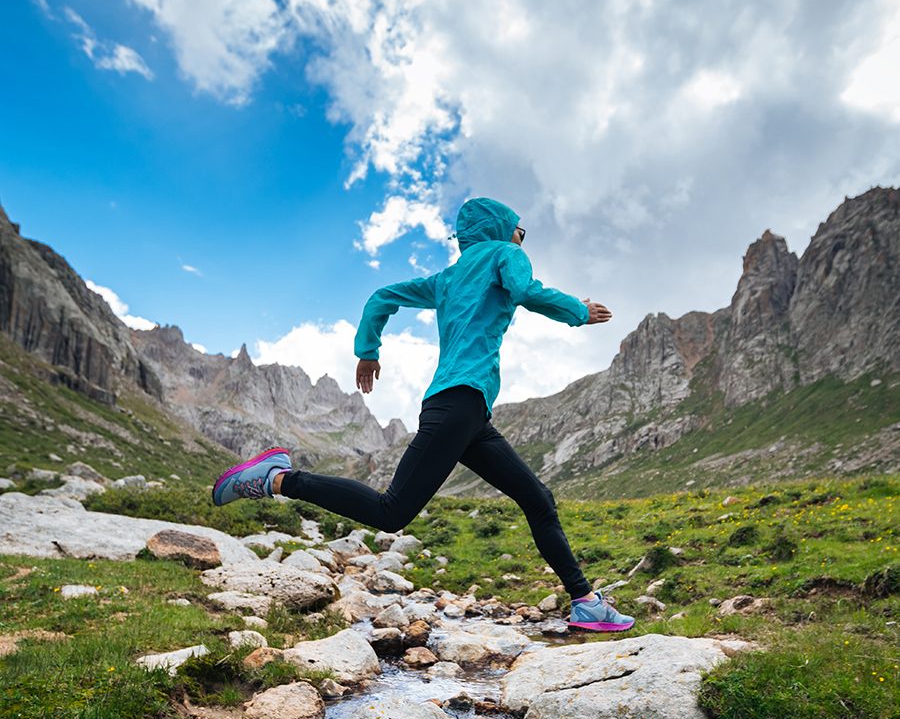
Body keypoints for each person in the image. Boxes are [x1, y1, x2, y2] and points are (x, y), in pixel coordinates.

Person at [213, 197, 634, 633]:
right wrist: (578, 312)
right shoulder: (506, 254)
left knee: (537, 499)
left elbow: (381, 297)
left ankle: (585, 601)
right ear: (500, 229)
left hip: (469, 413)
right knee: (391, 512)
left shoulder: (447, 279)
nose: (521, 238)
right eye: (519, 230)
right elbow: (527, 291)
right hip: (457, 406)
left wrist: (367, 351)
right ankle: (277, 478)